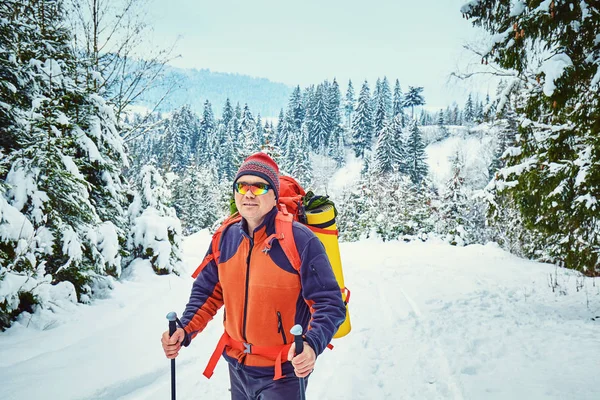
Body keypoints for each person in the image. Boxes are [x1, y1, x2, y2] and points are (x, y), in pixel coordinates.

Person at [161, 152, 346, 399]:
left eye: (259, 187)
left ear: (274, 194)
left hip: (284, 371)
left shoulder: (300, 240)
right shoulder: (225, 238)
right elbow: (208, 292)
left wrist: (311, 345)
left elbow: (330, 304)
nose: (248, 193)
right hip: (237, 365)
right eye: (242, 186)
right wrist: (185, 328)